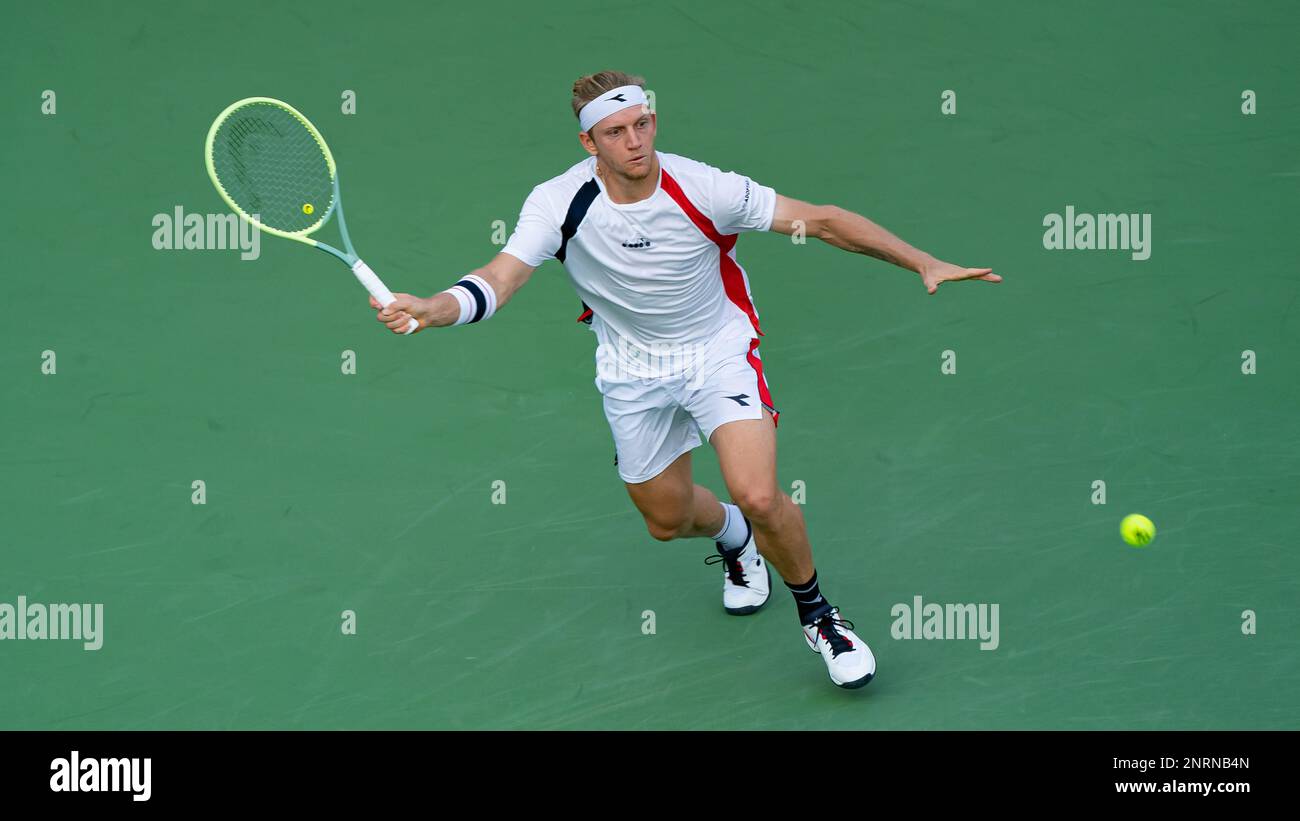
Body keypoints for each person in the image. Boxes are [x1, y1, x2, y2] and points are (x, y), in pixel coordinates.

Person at [372, 70, 1001, 689]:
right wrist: (434, 308)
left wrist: (923, 261)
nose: (635, 141)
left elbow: (826, 221)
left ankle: (820, 617)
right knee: (666, 519)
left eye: (642, 123)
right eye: (616, 131)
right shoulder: (558, 202)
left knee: (758, 493)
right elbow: (501, 278)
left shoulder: (704, 187)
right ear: (589, 144)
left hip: (717, 351)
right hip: (629, 368)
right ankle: (733, 537)